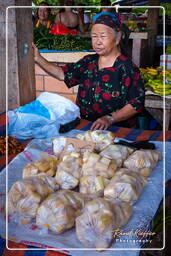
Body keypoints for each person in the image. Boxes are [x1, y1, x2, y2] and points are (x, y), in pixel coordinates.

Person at [32, 12, 145, 131]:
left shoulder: (127, 68)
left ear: (117, 38)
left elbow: (136, 104)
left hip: (118, 131)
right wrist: (38, 58)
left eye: (103, 36)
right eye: (94, 36)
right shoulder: (88, 62)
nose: (98, 41)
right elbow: (62, 74)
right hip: (86, 128)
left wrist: (110, 118)